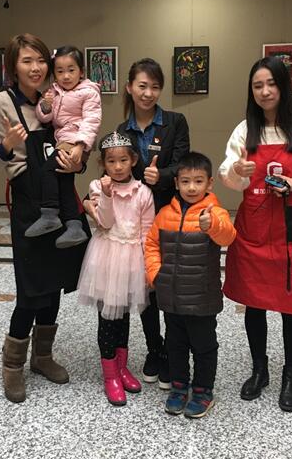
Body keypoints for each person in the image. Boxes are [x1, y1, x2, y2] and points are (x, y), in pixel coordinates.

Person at [218, 56, 292, 412]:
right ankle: (260, 370)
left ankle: (290, 375)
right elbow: (228, 173)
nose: (265, 91)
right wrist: (237, 170)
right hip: (254, 228)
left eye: (271, 83)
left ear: (284, 86)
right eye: (258, 85)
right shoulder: (245, 130)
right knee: (253, 303)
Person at [0, 33, 89, 404]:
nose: (36, 68)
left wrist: (79, 162)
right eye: (27, 60)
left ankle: (42, 356)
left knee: (55, 281)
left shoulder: (54, 98)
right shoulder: (1, 102)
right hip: (29, 203)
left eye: (41, 60)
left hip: (60, 195)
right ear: (13, 66)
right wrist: (7, 146)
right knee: (31, 287)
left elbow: (74, 142)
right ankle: (12, 365)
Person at [84, 58, 190, 388]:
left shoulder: (174, 122)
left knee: (165, 289)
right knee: (137, 292)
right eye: (142, 86)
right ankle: (152, 350)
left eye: (155, 87)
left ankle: (169, 353)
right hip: (125, 225)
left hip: (166, 215)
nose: (148, 93)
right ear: (129, 87)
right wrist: (91, 201)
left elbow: (185, 165)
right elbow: (110, 175)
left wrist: (164, 175)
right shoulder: (121, 133)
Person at [144, 152, 236, 418]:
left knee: (203, 346)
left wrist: (212, 225)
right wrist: (156, 274)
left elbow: (228, 236)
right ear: (176, 183)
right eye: (185, 181)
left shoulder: (215, 212)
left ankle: (204, 391)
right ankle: (178, 387)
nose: (192, 187)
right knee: (176, 344)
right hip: (171, 296)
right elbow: (151, 244)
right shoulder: (164, 214)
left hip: (202, 297)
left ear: (209, 183)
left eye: (198, 181)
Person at [78, 131, 155, 406]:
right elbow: (105, 222)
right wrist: (107, 196)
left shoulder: (143, 192)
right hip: (106, 256)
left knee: (123, 318)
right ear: (103, 163)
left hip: (132, 258)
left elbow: (147, 232)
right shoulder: (98, 186)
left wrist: (147, 267)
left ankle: (122, 368)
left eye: (123, 160)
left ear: (133, 160)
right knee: (107, 319)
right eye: (111, 161)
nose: (118, 166)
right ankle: (110, 374)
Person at [26, 45, 101, 249]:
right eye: (60, 71)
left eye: (71, 70)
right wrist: (45, 105)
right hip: (63, 139)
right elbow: (45, 118)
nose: (65, 76)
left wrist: (80, 145)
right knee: (64, 181)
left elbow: (92, 121)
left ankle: (49, 214)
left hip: (75, 140)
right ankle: (75, 226)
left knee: (48, 170)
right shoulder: (54, 91)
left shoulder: (89, 92)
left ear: (81, 72)